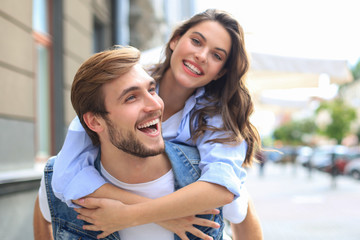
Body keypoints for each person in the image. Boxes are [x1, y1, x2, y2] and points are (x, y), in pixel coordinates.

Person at [52, 9, 263, 240]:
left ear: (220, 73)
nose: (202, 55)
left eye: (217, 55)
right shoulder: (125, 82)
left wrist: (130, 215)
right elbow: (64, 175)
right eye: (196, 41)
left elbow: (223, 188)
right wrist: (162, 215)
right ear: (174, 40)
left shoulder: (219, 117)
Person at [34, 46, 228, 240]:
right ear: (94, 122)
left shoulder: (206, 173)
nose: (155, 105)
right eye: (131, 97)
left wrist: (138, 215)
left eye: (152, 90)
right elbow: (43, 219)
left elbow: (245, 218)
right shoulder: (58, 175)